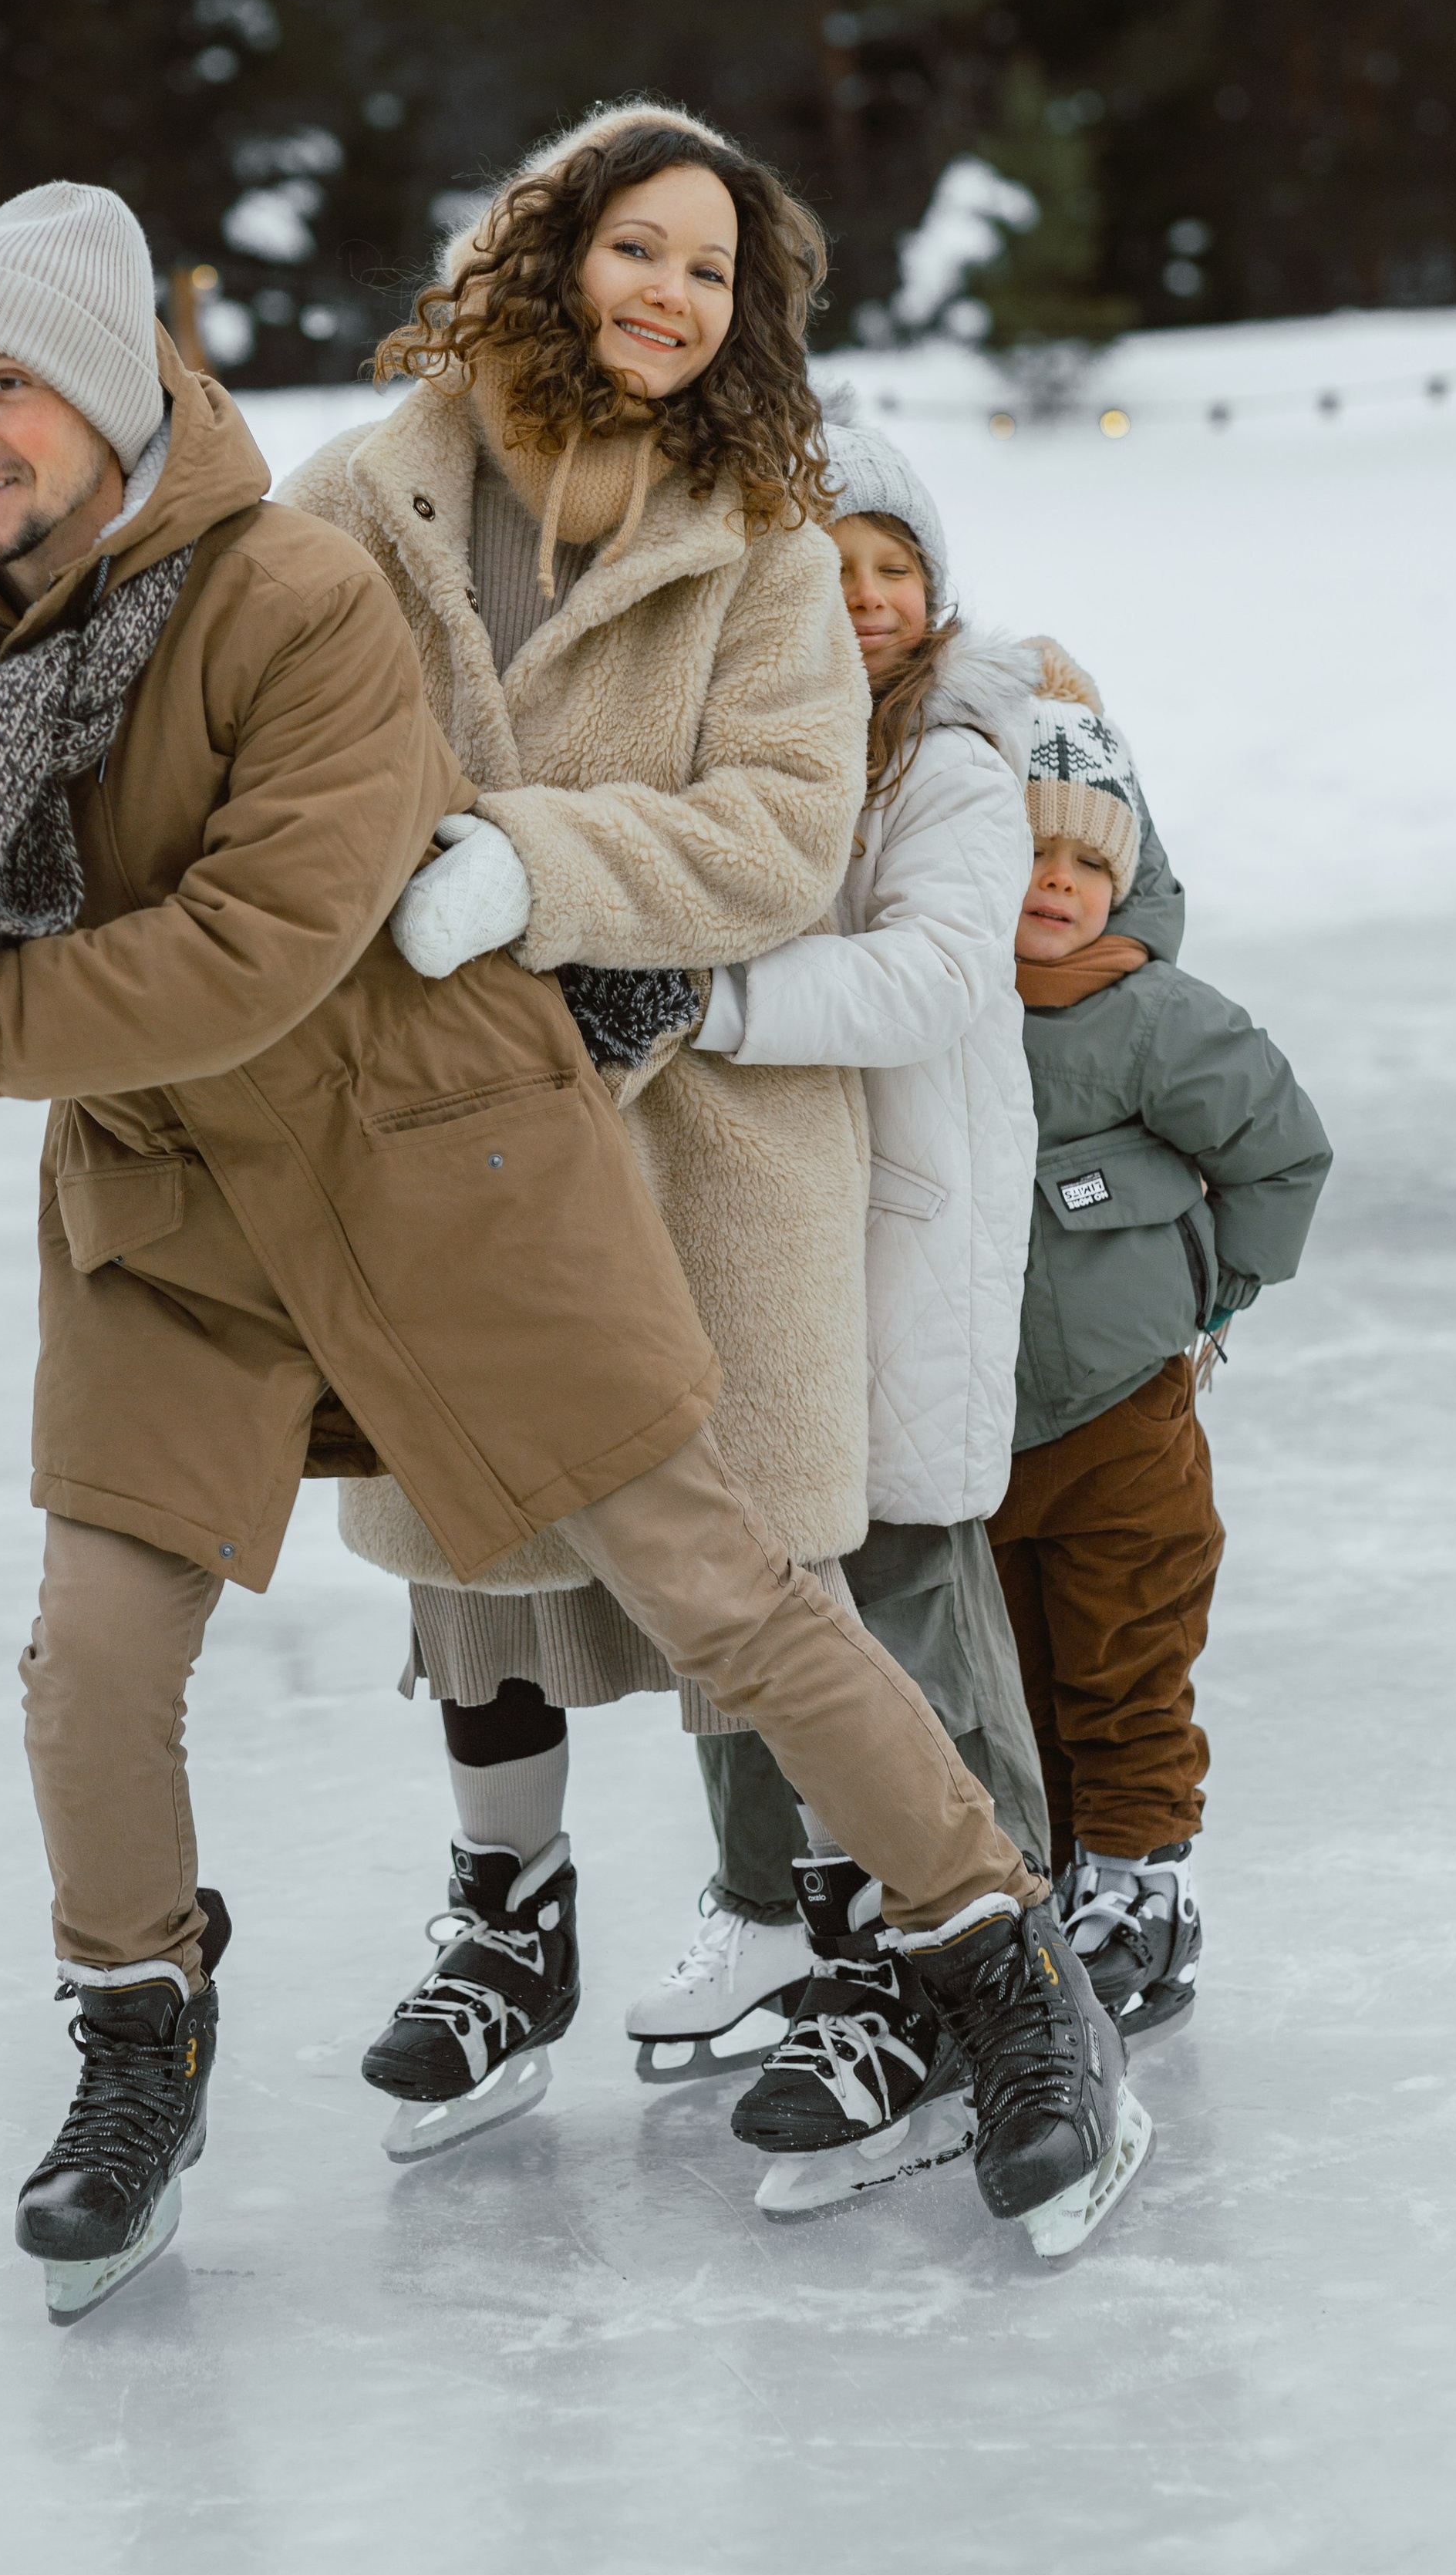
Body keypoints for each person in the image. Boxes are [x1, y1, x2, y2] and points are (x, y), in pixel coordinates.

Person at [0, 180, 1139, 2317]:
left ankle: (1003, 1961)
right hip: (171, 1222)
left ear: (125, 400)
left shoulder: (296, 605)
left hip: (453, 1176)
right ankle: (140, 2038)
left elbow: (242, 961)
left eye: (8, 393)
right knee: (92, 1660)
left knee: (729, 1593)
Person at [277, 106, 898, 2087]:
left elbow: (788, 829)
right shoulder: (358, 501)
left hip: (700, 1145)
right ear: (543, 248)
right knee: (469, 1551)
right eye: (641, 247)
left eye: (714, 272)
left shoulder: (766, 539)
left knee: (753, 1555)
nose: (672, 297)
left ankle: (851, 1935)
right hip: (436, 1124)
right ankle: (506, 1927)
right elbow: (261, 748)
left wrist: (534, 864)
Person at [595, 425, 1050, 2213]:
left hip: (907, 1230)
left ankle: (986, 1940)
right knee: (745, 1582)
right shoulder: (754, 735)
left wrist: (702, 996)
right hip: (757, 1230)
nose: (864, 603)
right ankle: (799, 1923)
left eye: (891, 569)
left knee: (911, 1582)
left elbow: (936, 974)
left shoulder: (949, 761)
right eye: (827, 568)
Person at [987, 645, 1332, 2041]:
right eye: (1028, 855)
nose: (1056, 885)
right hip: (978, 1425)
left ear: (1125, 879)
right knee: (1015, 1667)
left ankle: (1143, 1884)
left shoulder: (1158, 1017)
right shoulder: (944, 1007)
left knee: (1126, 1652)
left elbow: (1284, 1153)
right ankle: (1062, 1872)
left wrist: (1216, 1296)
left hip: (1126, 1411)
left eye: (1086, 863)